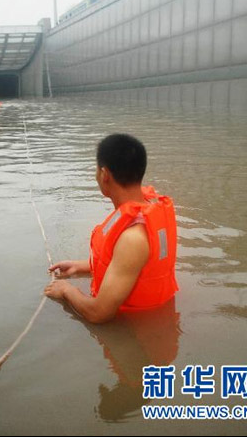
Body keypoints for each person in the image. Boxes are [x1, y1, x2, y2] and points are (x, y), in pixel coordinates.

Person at [44, 133, 178, 323]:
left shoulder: (132, 238)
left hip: (137, 329)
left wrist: (67, 290)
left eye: (96, 170)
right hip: (159, 313)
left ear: (105, 175)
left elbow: (99, 313)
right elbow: (129, 265)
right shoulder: (146, 205)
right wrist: (79, 267)